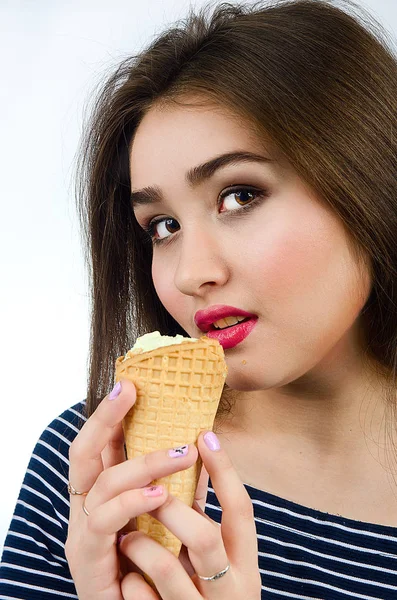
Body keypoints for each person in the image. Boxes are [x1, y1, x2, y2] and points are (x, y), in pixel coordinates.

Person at [1, 0, 397, 597]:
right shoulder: (100, 476)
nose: (191, 273)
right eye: (162, 226)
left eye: (239, 195)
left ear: (369, 181)